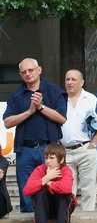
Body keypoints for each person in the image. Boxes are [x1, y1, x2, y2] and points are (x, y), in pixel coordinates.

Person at [2, 58, 67, 212]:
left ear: (39, 70)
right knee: (26, 191)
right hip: (25, 150)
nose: (28, 74)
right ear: (20, 74)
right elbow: (7, 122)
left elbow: (62, 118)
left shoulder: (53, 90)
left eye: (31, 70)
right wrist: (30, 111)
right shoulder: (16, 95)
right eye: (23, 72)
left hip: (49, 149)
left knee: (53, 187)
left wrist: (41, 107)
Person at [60, 70, 97, 211]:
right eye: (67, 79)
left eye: (74, 79)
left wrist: (93, 144)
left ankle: (88, 219)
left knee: (89, 189)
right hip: (65, 151)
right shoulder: (59, 99)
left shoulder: (91, 99)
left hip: (86, 149)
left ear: (82, 82)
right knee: (67, 190)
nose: (70, 82)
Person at [22, 143, 77, 223]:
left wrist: (49, 183)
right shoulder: (40, 169)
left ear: (61, 160)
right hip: (44, 208)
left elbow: (66, 188)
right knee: (40, 191)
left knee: (64, 194)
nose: (48, 161)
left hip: (63, 207)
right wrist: (46, 178)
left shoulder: (66, 170)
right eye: (46, 157)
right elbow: (27, 190)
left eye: (51, 158)